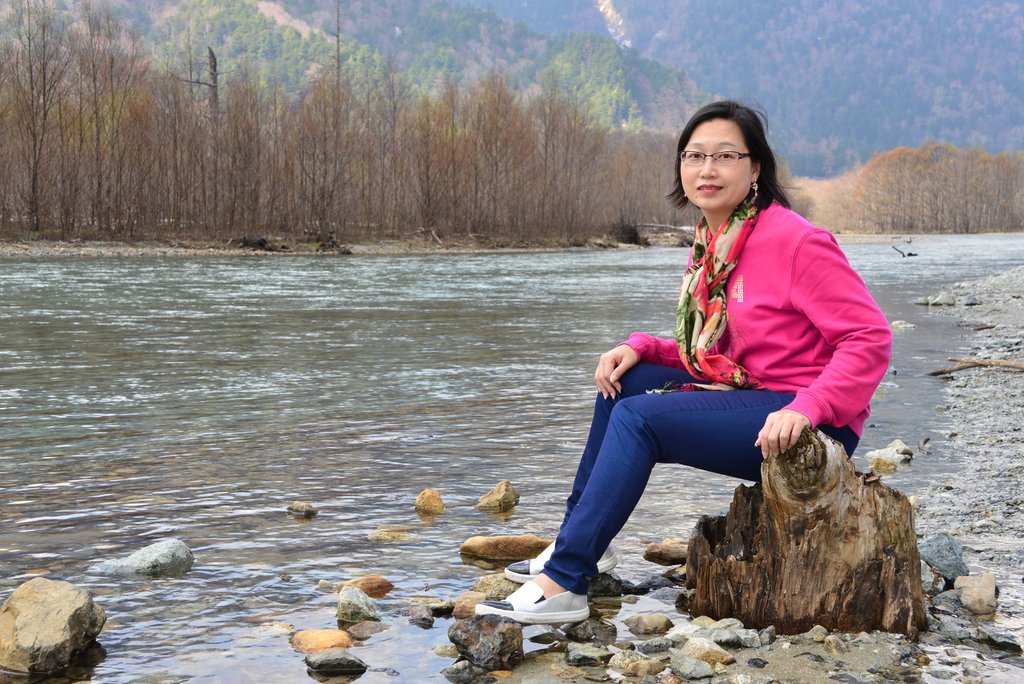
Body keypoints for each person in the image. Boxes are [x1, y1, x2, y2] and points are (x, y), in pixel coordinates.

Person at [476, 100, 892, 624]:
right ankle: (574, 543)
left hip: (808, 424)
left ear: (755, 168)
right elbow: (721, 352)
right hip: (754, 395)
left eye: (725, 156)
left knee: (640, 419)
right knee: (624, 382)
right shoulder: (717, 243)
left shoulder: (797, 242)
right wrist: (644, 348)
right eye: (695, 156)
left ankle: (564, 582)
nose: (707, 169)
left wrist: (807, 408)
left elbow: (869, 338)